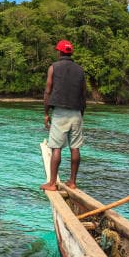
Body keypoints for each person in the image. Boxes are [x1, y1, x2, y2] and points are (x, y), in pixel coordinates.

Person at [40, 39, 86, 190]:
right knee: (75, 147)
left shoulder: (53, 67)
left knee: (56, 148)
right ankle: (72, 182)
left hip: (60, 112)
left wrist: (46, 113)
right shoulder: (80, 70)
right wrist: (81, 114)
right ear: (71, 52)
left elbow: (48, 91)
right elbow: (83, 94)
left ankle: (52, 183)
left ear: (59, 52)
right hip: (77, 112)